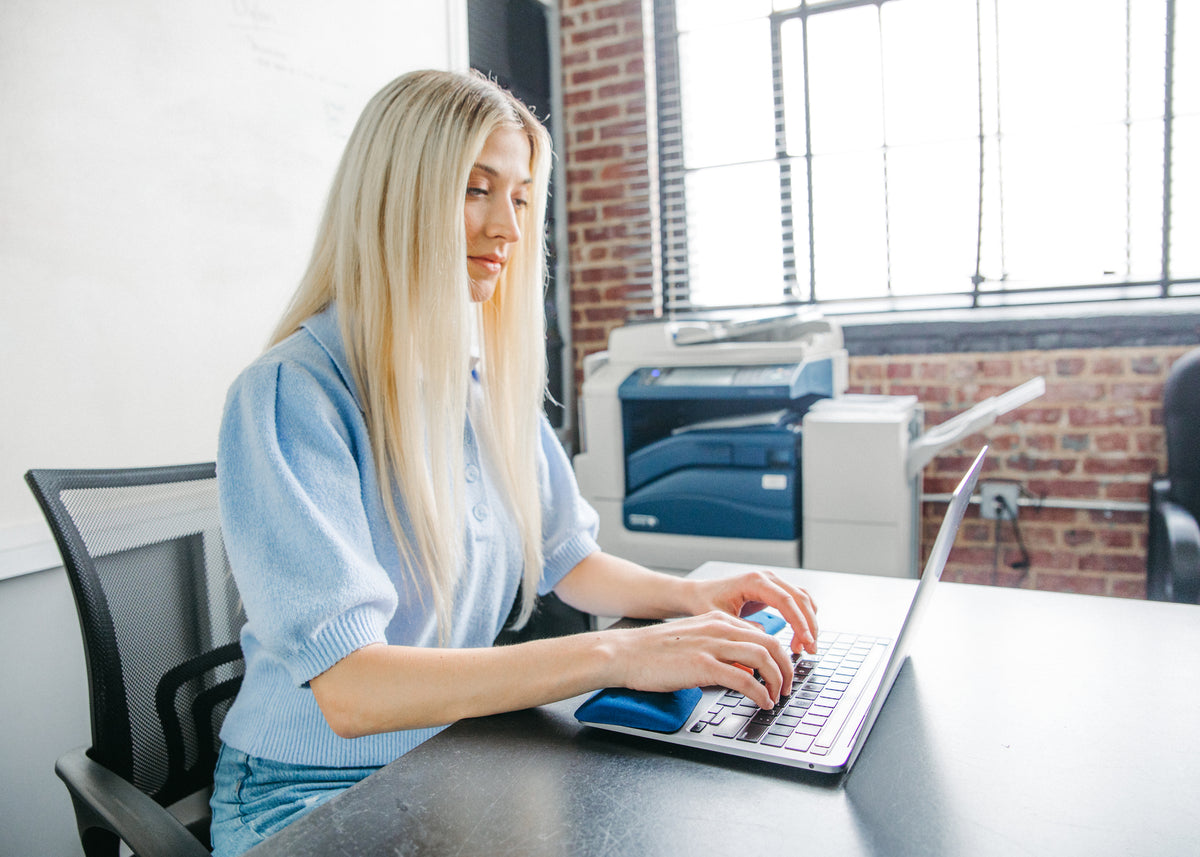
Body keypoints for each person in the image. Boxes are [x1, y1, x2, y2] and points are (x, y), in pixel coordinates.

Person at [209, 68, 818, 856]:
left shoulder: (477, 389)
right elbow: (352, 689)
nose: (509, 228)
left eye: (522, 197)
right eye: (476, 188)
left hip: (449, 756)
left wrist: (691, 594)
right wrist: (619, 652)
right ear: (395, 196)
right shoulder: (293, 394)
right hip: (306, 794)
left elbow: (570, 559)